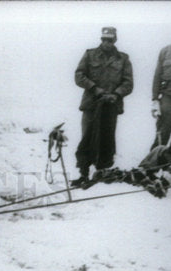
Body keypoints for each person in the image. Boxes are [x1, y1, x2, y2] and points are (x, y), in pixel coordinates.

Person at [73, 27, 133, 187]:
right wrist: (95, 89)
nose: (106, 43)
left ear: (115, 40)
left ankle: (101, 173)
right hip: (91, 105)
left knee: (106, 139)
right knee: (86, 138)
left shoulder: (123, 59)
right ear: (101, 39)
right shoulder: (89, 54)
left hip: (111, 106)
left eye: (110, 40)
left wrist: (117, 94)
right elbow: (79, 76)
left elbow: (128, 83)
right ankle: (83, 173)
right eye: (104, 39)